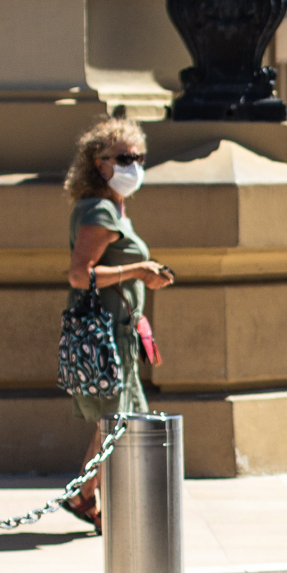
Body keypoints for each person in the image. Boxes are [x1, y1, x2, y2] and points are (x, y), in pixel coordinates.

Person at [61, 118, 175, 531]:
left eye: (140, 158)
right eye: (125, 158)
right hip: (106, 337)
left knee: (118, 422)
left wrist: (145, 274)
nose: (135, 166)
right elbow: (80, 274)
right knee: (119, 425)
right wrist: (140, 269)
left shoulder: (111, 206)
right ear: (99, 162)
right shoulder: (99, 208)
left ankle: (85, 494)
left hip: (120, 334)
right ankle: (104, 505)